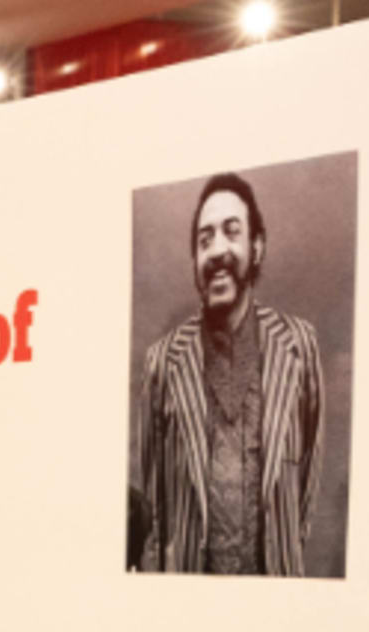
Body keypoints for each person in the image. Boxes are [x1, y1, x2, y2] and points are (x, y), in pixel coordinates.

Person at [129, 170, 329, 577]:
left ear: (257, 247)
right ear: (195, 260)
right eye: (204, 240)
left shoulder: (299, 347)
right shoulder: (162, 363)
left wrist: (283, 550)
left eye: (231, 232)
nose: (217, 250)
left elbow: (307, 482)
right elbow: (155, 503)